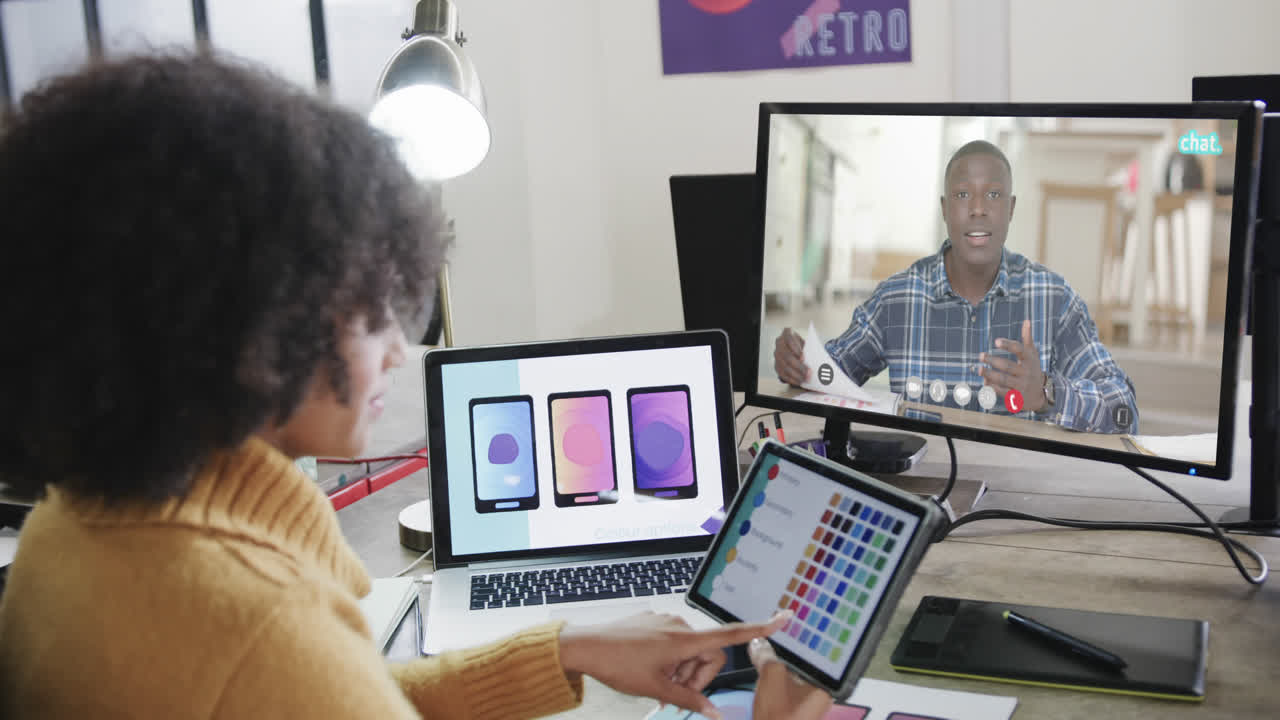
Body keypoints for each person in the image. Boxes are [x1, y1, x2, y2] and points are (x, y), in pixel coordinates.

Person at [0, 55, 832, 720]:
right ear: (243, 316)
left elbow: (349, 696)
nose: (402, 348)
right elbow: (303, 682)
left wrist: (568, 649)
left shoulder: (68, 526)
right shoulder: (255, 632)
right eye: (369, 308)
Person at [774, 140, 1139, 435]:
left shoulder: (1052, 298)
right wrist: (797, 363)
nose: (978, 209)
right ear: (945, 209)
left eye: (993, 195)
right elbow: (829, 374)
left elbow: (1124, 410)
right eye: (963, 196)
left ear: (1011, 209)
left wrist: (1047, 392)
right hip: (921, 489)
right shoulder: (897, 299)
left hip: (1015, 496)